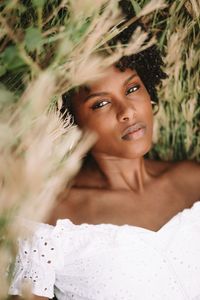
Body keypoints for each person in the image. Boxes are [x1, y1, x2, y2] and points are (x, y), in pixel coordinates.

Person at [9, 2, 200, 300]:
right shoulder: (52, 221)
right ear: (70, 119)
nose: (126, 112)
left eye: (132, 88)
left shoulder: (193, 179)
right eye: (100, 103)